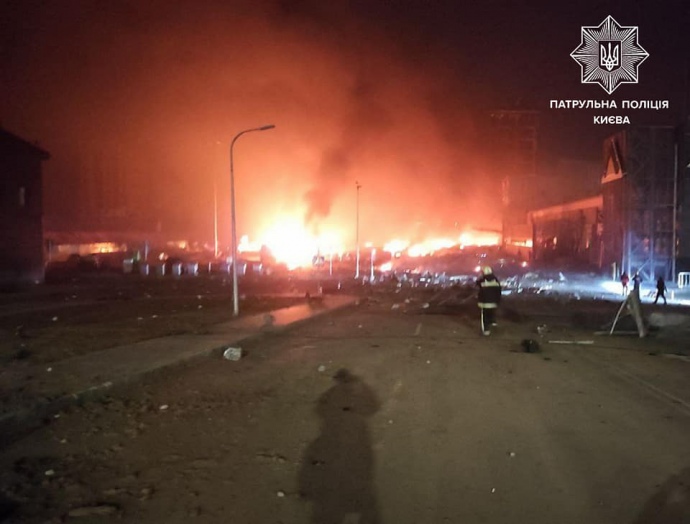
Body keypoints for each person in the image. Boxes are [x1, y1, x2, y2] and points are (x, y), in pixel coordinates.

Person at [476, 266, 501, 336]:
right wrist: (498, 301)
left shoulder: (483, 279)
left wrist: (480, 276)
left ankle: (486, 330)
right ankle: (493, 323)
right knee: (491, 312)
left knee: (485, 316)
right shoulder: (495, 280)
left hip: (484, 302)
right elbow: (499, 291)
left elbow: (477, 283)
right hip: (493, 302)